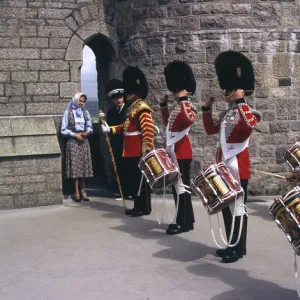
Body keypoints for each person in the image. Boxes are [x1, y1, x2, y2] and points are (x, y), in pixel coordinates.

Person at [202, 51, 261, 263]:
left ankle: (237, 248)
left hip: (238, 166)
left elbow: (247, 127)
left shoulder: (245, 111)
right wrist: (207, 109)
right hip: (225, 166)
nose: (226, 91)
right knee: (227, 207)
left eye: (231, 88)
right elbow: (210, 130)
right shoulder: (228, 113)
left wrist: (241, 100)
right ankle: (231, 244)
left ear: (240, 88)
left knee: (237, 208)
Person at [101, 67, 154, 217]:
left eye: (129, 92)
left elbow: (148, 132)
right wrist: (109, 129)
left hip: (138, 150)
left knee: (141, 182)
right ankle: (138, 205)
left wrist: (146, 151)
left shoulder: (142, 108)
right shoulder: (132, 109)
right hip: (129, 150)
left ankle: (145, 207)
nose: (127, 95)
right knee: (134, 181)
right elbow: (124, 127)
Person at [160, 60, 197, 235]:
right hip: (176, 153)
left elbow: (189, 119)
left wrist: (183, 98)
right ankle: (186, 219)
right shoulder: (179, 107)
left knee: (181, 189)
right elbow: (170, 125)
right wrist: (163, 108)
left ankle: (183, 221)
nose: (173, 92)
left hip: (182, 154)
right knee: (178, 189)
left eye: (176, 89)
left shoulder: (186, 106)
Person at [61, 92, 93, 202]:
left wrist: (87, 132)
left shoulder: (85, 112)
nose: (82, 103)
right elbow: (63, 130)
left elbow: (90, 127)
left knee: (83, 166)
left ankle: (83, 190)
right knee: (75, 166)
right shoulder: (68, 112)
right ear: (76, 100)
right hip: (73, 140)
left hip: (84, 141)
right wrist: (75, 135)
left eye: (83, 101)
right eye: (80, 100)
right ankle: (76, 191)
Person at [105, 78, 130, 200]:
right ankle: (123, 192)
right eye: (115, 99)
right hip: (116, 145)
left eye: (120, 98)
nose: (118, 100)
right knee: (119, 168)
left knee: (130, 169)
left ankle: (133, 192)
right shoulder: (111, 113)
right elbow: (109, 129)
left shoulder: (129, 109)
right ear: (112, 100)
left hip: (128, 144)